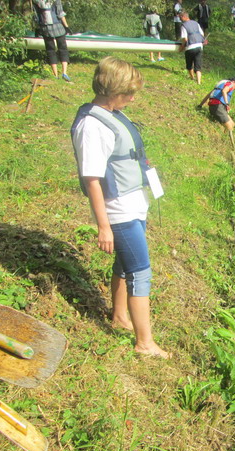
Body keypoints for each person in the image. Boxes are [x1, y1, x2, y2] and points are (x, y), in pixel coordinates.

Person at [71, 56, 170, 359]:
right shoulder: (92, 125)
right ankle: (144, 343)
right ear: (111, 89)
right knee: (141, 271)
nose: (132, 98)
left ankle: (120, 316)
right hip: (118, 209)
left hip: (133, 202)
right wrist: (103, 226)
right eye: (128, 92)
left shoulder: (112, 112)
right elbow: (92, 179)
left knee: (125, 266)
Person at [32, 0, 72, 81]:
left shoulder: (36, 1)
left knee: (50, 50)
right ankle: (64, 73)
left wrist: (37, 28)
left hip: (45, 28)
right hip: (58, 27)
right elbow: (60, 14)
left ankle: (55, 75)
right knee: (63, 49)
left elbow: (36, 16)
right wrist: (67, 27)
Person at [179, 11, 205, 84]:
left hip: (190, 47)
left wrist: (182, 47)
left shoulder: (183, 26)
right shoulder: (196, 23)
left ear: (184, 17)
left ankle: (192, 78)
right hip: (199, 46)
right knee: (198, 65)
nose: (180, 19)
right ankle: (199, 82)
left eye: (180, 17)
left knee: (189, 64)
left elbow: (185, 39)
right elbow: (202, 34)